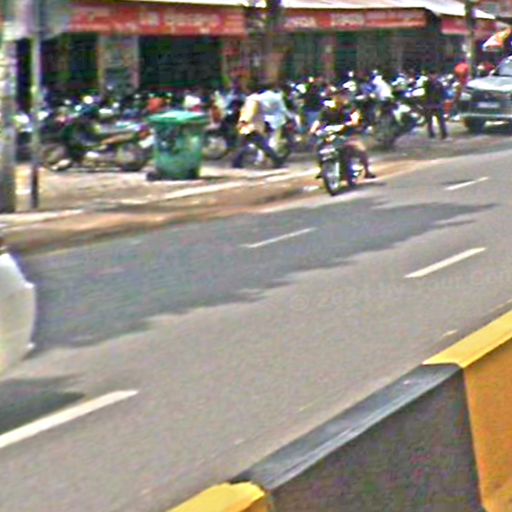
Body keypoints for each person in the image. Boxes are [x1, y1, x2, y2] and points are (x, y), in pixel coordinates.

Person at [309, 88, 375, 180]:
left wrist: (352, 122)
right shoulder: (327, 109)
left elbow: (355, 117)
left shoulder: (349, 107)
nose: (338, 97)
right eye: (336, 95)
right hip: (331, 135)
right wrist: (313, 130)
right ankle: (323, 168)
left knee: (360, 149)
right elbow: (319, 121)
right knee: (319, 147)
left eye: (341, 95)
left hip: (347, 134)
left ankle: (367, 171)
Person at [232, 84, 284, 169]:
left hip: (251, 127)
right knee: (245, 145)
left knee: (260, 145)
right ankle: (237, 163)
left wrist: (243, 121)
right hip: (253, 126)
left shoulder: (252, 100)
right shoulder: (256, 99)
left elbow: (250, 112)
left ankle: (277, 160)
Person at [424, 69, 448, 140]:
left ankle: (444, 134)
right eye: (430, 75)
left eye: (433, 75)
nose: (432, 76)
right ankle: (431, 134)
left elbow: (443, 93)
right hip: (429, 104)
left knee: (441, 119)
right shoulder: (427, 84)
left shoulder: (439, 84)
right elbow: (426, 94)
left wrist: (442, 101)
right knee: (429, 120)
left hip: (438, 104)